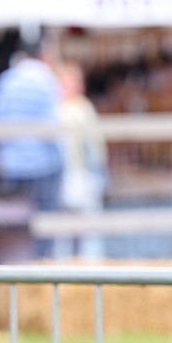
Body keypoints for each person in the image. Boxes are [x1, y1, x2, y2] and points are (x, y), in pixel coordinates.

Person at [0, 41, 64, 259]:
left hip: (11, 164)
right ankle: (39, 265)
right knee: (43, 224)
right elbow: (53, 126)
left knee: (12, 222)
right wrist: (60, 160)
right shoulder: (46, 79)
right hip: (42, 164)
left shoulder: (6, 80)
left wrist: (2, 155)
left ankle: (14, 264)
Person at [56, 63, 107, 260]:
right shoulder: (63, 109)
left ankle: (90, 263)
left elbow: (93, 146)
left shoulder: (81, 108)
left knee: (86, 225)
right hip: (67, 173)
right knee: (65, 227)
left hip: (82, 172)